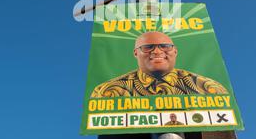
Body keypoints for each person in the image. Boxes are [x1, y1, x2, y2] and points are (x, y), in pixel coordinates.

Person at [91, 31, 228, 98]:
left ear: (175, 51)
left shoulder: (208, 88)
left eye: (165, 46)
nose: (157, 51)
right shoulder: (107, 91)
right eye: (147, 47)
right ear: (135, 53)